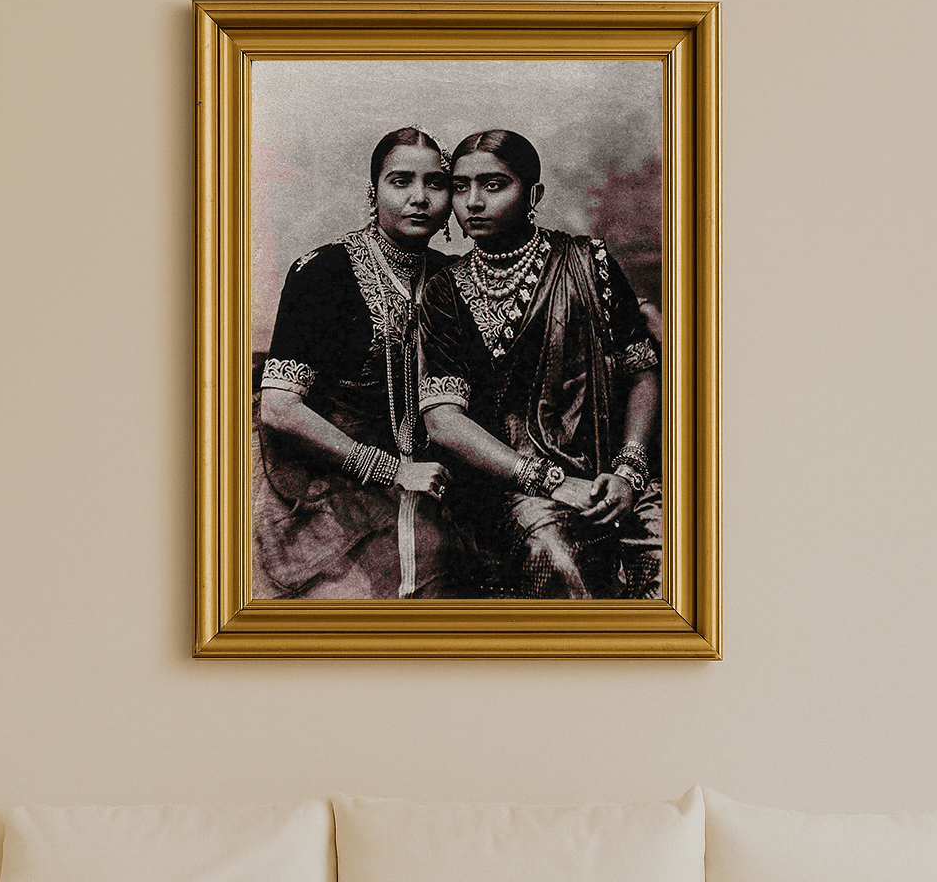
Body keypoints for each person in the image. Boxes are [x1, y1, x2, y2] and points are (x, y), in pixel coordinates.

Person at [418, 129, 662, 599]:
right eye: (461, 186)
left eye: (493, 185)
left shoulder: (589, 262)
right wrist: (551, 481)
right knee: (552, 554)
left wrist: (629, 471)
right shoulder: (445, 290)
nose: (472, 202)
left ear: (533, 194)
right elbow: (444, 421)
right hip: (512, 490)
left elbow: (641, 372)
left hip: (612, 476)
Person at [255, 127, 465, 599]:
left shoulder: (452, 277)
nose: (420, 198)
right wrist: (392, 470)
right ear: (374, 193)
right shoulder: (323, 272)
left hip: (430, 478)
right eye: (401, 182)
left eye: (435, 183)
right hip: (322, 486)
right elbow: (279, 407)